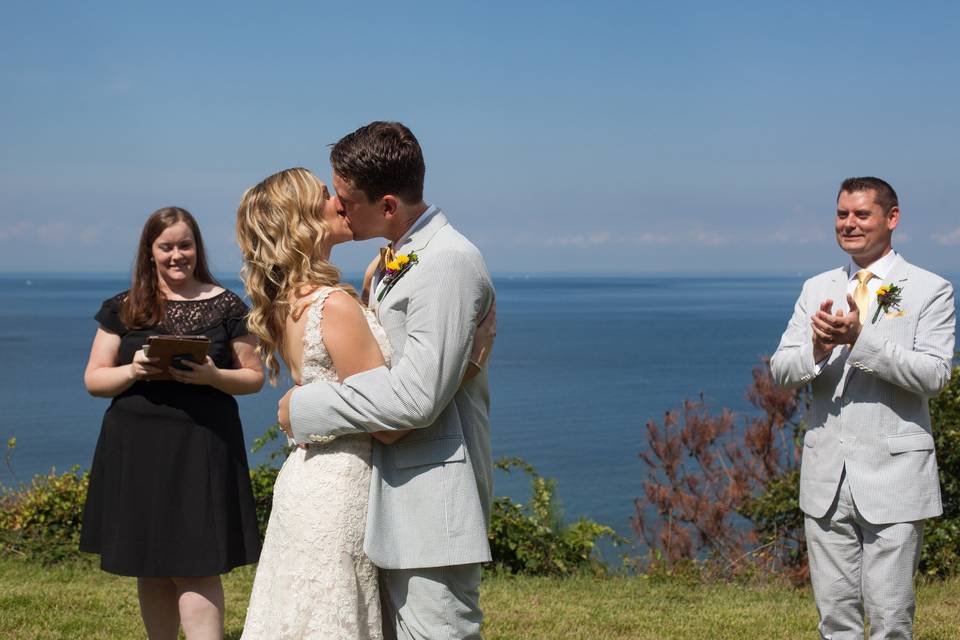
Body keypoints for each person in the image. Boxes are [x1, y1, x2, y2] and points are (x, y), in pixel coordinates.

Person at [234, 167, 494, 639]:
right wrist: (465, 362)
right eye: (324, 197)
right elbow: (390, 419)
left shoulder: (290, 303)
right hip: (343, 488)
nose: (339, 202)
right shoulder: (334, 305)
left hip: (306, 482)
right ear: (300, 223)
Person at [770, 177, 955, 639]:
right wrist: (815, 347)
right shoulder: (817, 288)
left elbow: (935, 375)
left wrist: (860, 341)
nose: (848, 224)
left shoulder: (930, 289)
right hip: (826, 475)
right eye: (841, 214)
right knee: (835, 618)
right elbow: (780, 368)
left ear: (892, 219)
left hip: (895, 475)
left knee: (891, 621)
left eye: (861, 214)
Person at [80, 207, 264, 640]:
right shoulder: (123, 308)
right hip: (138, 446)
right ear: (150, 252)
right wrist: (133, 371)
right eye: (166, 247)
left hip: (203, 444)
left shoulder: (228, 305)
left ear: (197, 248)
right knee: (152, 565)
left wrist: (213, 377)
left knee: (197, 566)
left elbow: (253, 377)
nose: (176, 255)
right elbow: (94, 379)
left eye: (185, 245)